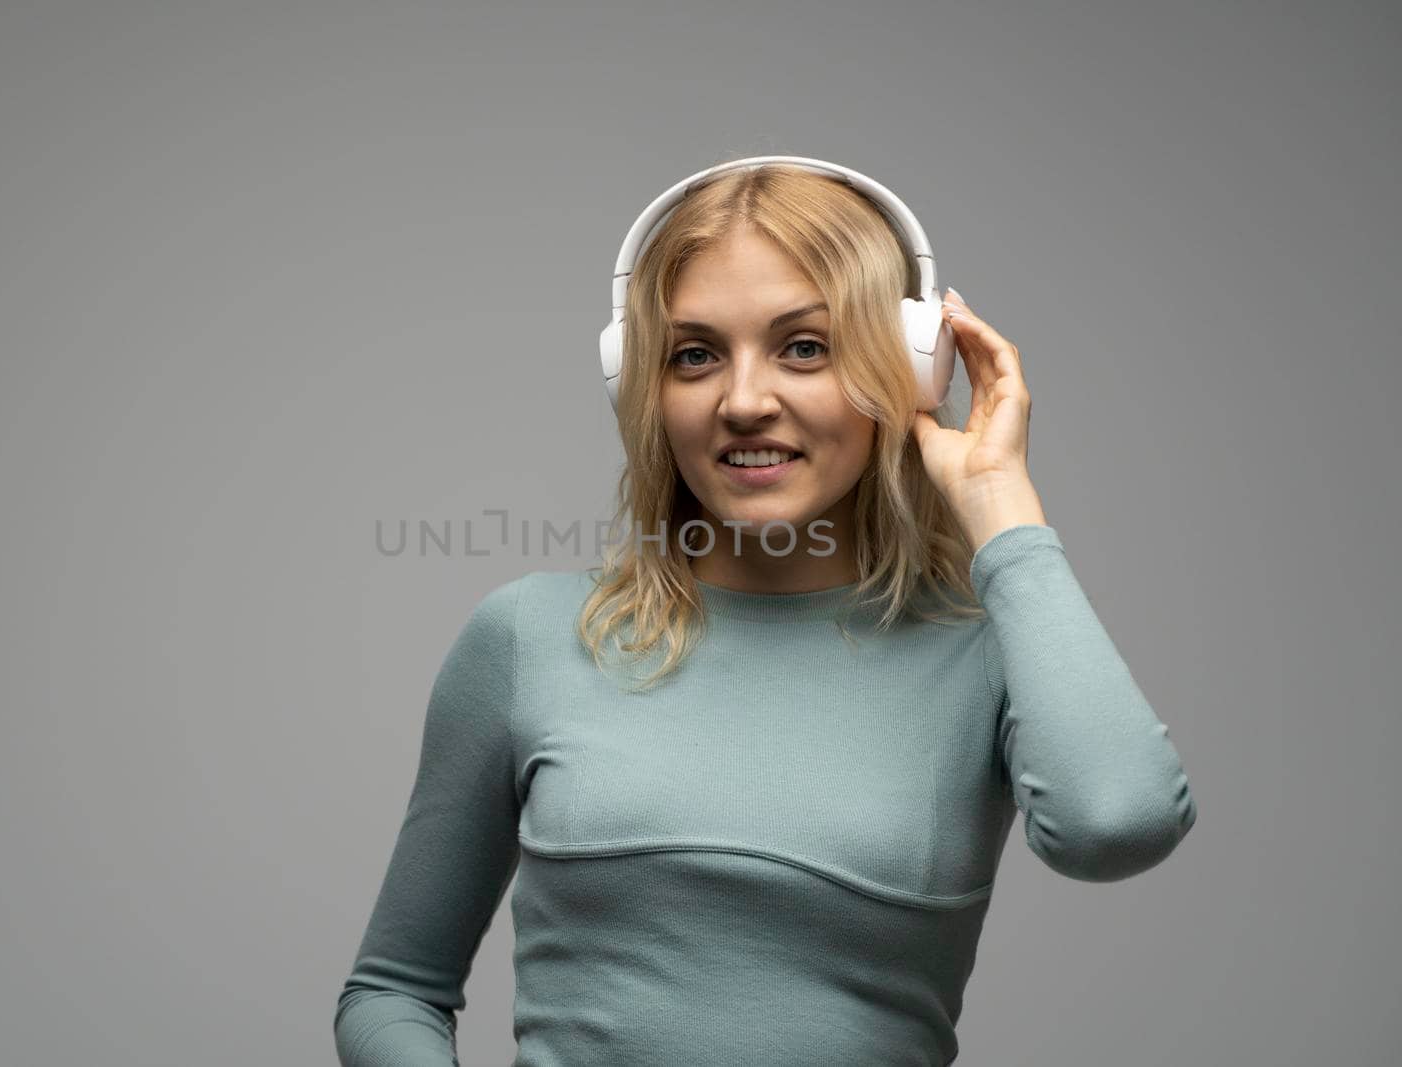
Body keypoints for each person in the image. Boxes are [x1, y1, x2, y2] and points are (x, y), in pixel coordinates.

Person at [334, 161, 1198, 1066]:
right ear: (643, 384)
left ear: (907, 367)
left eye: (805, 347)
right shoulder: (528, 638)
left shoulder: (988, 658)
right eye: (695, 354)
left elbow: (1118, 822)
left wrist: (1000, 506)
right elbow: (392, 992)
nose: (744, 401)